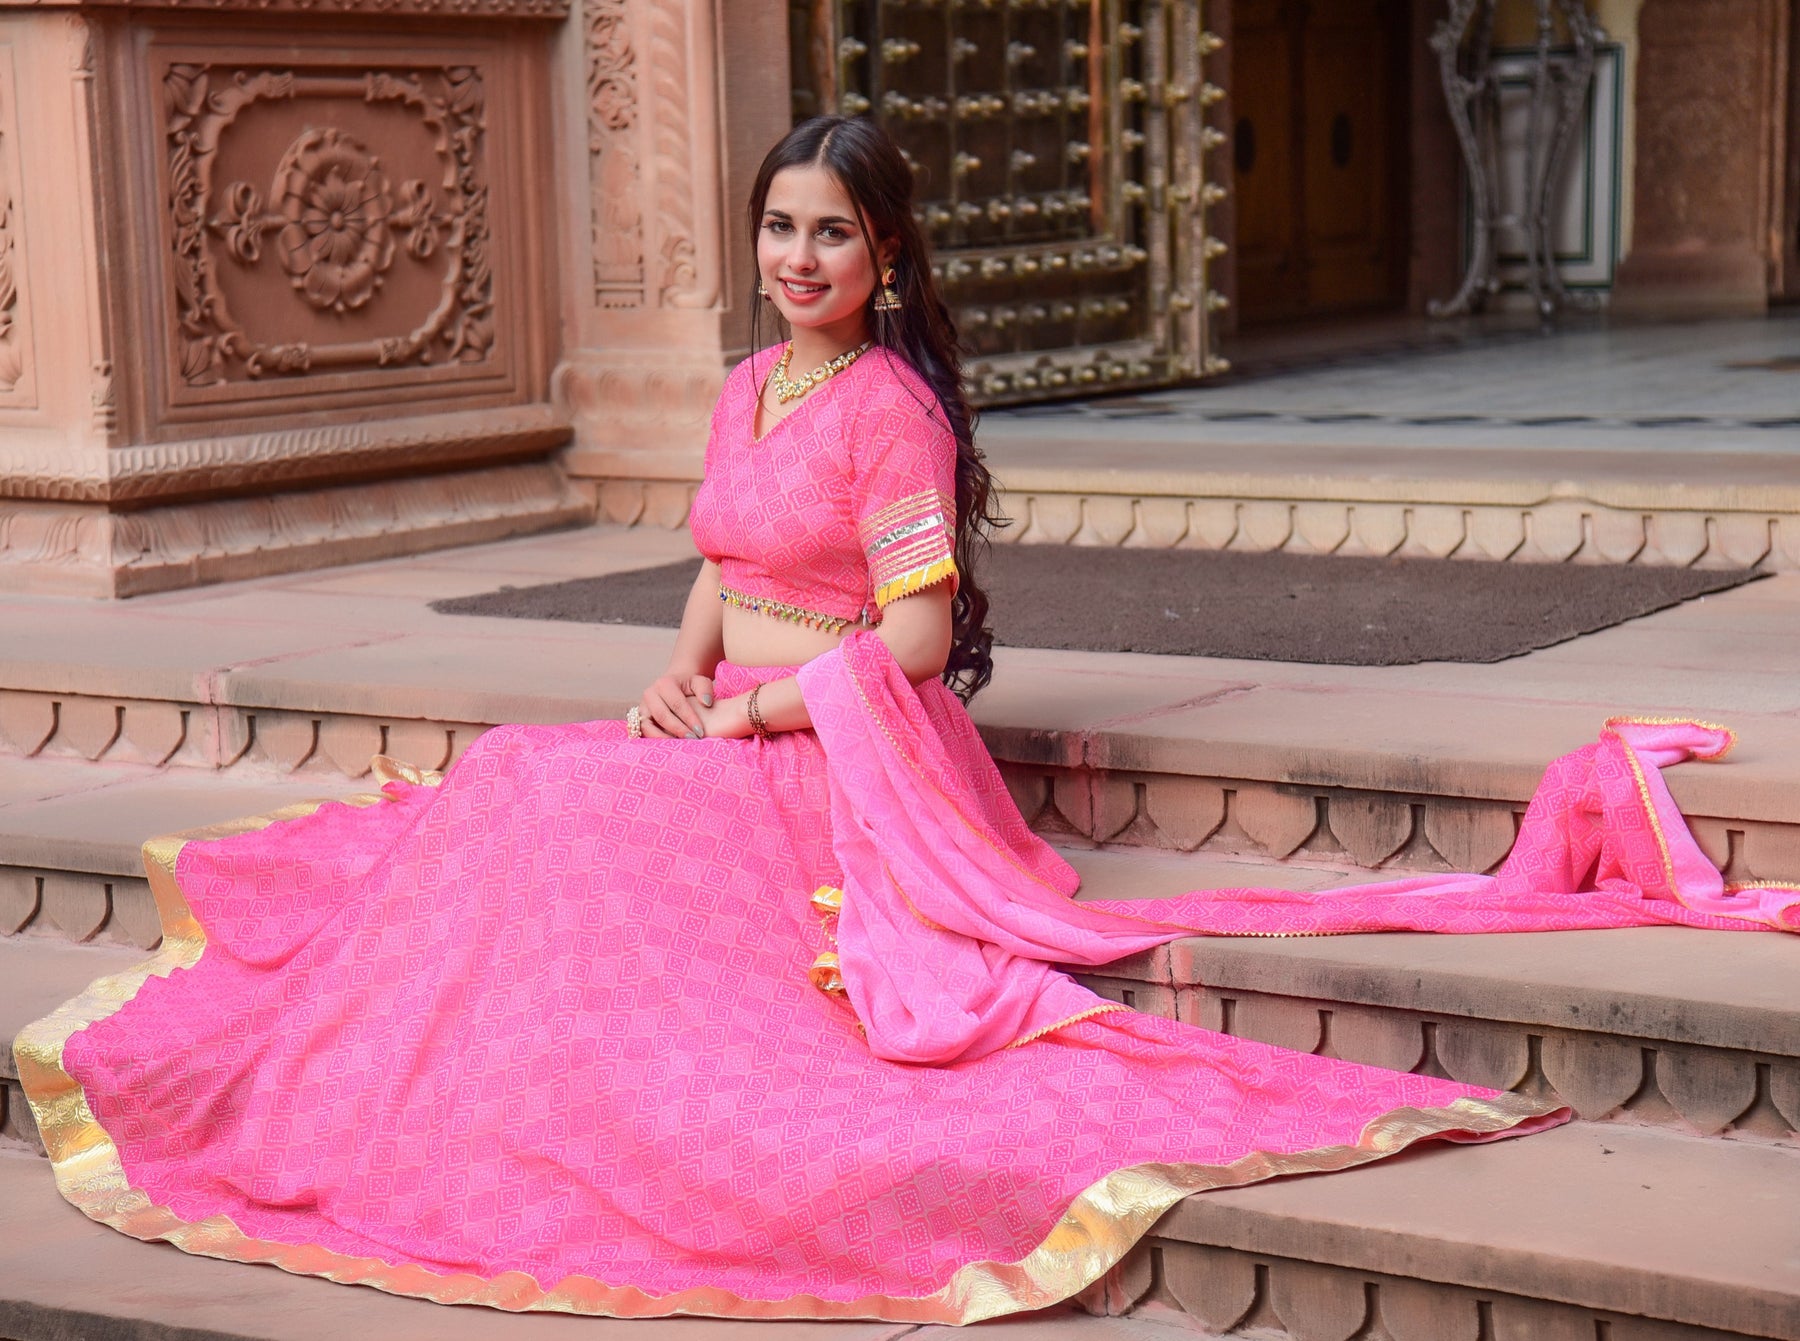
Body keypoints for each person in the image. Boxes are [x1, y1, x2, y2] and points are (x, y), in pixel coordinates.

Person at [17, 117, 1796, 1326]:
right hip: (738, 709)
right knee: (522, 777)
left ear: (886, 254)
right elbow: (718, 559)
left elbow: (922, 643)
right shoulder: (742, 385)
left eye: (833, 234)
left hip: (850, 755)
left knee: (582, 829)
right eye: (781, 227)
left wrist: (764, 708)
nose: (801, 257)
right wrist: (678, 664)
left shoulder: (892, 416)